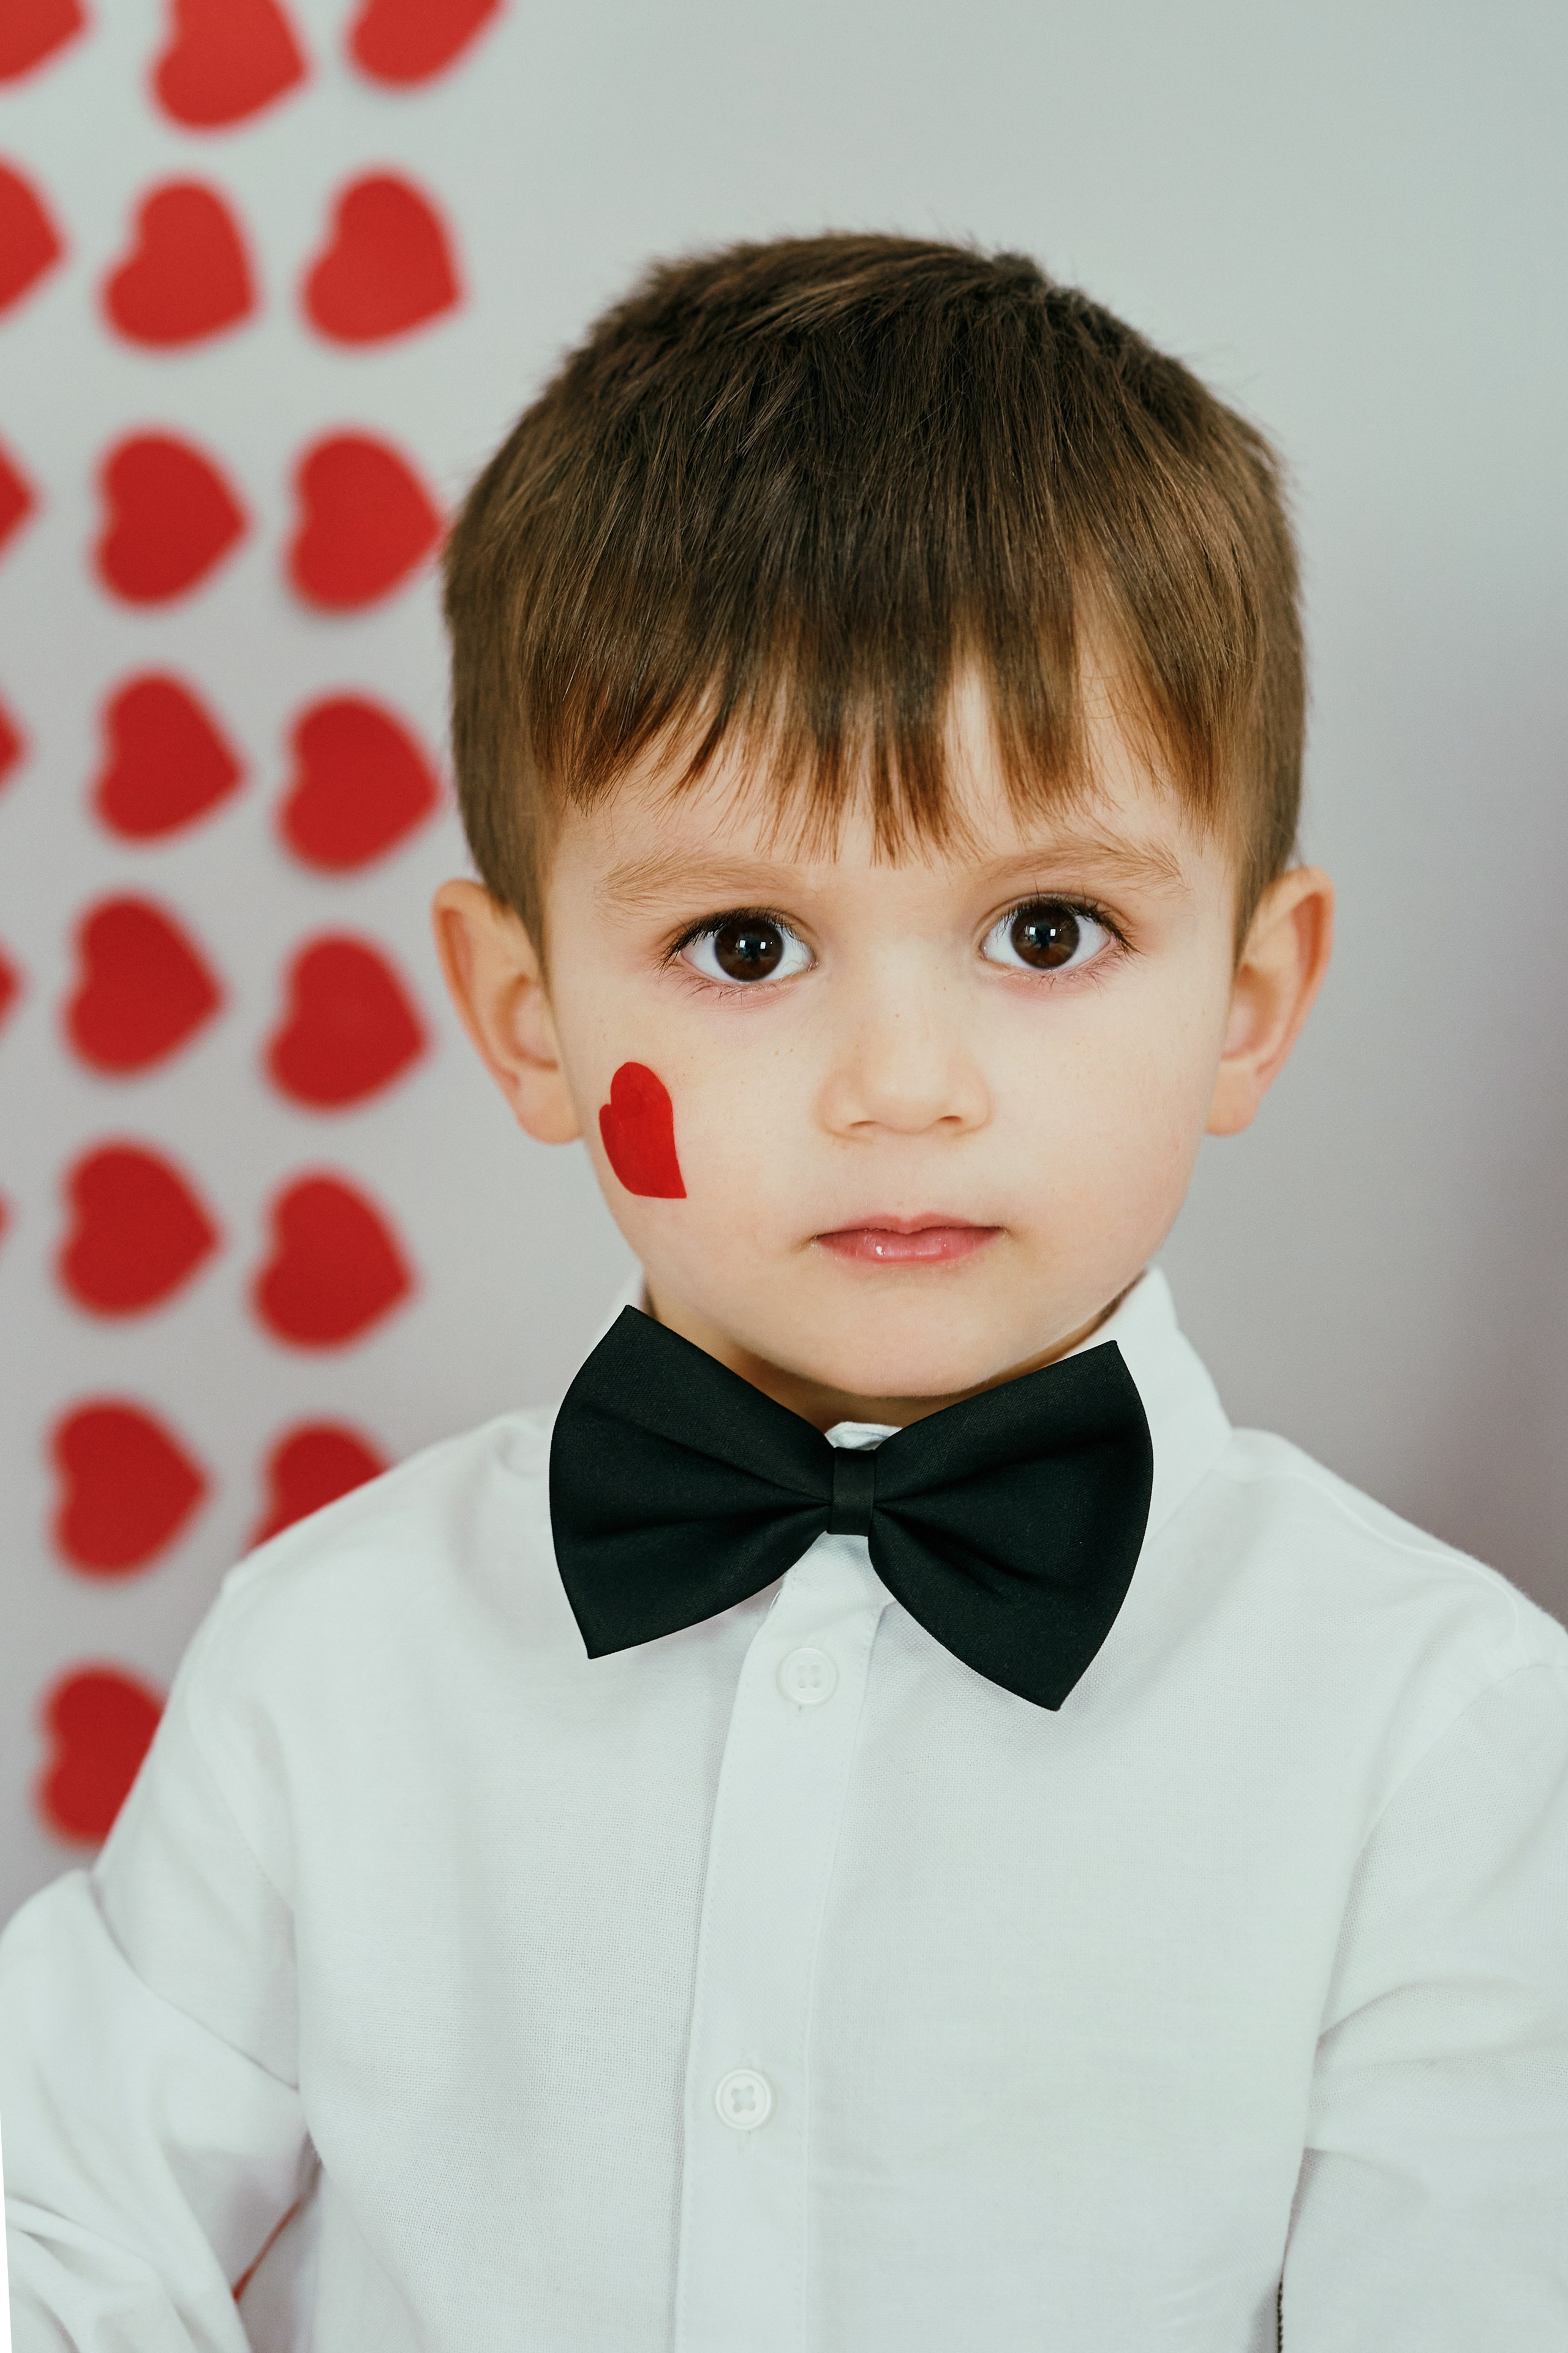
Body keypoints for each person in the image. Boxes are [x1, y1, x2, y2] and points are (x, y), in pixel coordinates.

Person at [3, 233, 1566, 2352]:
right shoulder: (334, 1657)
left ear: (1252, 996)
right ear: (528, 1012)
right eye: (746, 945)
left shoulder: (1438, 1735)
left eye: (1044, 933)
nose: (900, 1090)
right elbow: (56, 2233)